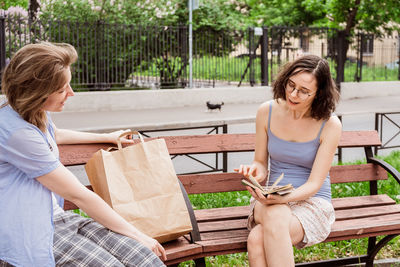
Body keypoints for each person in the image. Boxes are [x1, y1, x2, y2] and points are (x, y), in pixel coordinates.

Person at [0, 42, 166, 267]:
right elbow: (78, 195)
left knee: (144, 258)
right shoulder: (16, 132)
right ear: (35, 93)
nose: (71, 93)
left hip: (58, 218)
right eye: (61, 90)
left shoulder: (31, 113)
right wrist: (139, 234)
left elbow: (55, 135)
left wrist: (106, 136)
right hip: (31, 231)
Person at [237, 55, 341, 267]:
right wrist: (254, 172)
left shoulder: (330, 124)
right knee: (275, 213)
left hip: (311, 201)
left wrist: (282, 199)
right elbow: (260, 162)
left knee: (257, 240)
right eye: (290, 85)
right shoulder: (267, 111)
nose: (293, 94)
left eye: (303, 91)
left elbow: (314, 184)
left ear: (319, 93)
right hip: (270, 198)